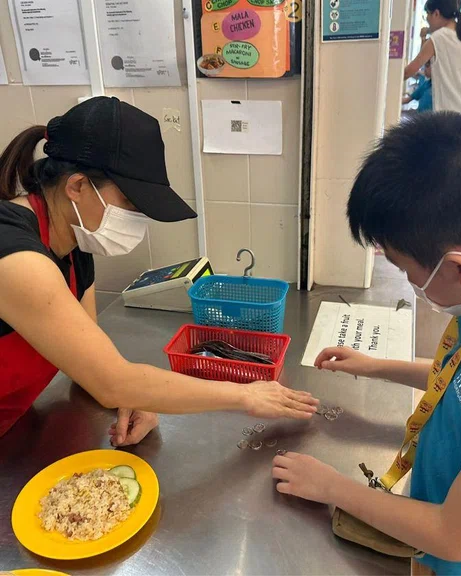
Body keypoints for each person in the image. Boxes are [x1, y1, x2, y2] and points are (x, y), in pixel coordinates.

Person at [0, 97, 318, 442]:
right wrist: (246, 394)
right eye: (130, 203)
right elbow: (110, 382)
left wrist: (132, 395)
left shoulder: (74, 245)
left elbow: (89, 362)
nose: (137, 219)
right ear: (76, 187)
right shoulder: (17, 257)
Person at [280, 113, 461, 573]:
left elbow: (454, 536)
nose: (408, 281)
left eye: (402, 266)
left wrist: (333, 488)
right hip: (422, 539)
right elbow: (452, 378)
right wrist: (375, 365)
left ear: (460, 269)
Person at [404, 0, 461, 115]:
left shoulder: (438, 38)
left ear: (436, 13)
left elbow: (408, 71)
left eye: (427, 14)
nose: (426, 18)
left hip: (450, 114)